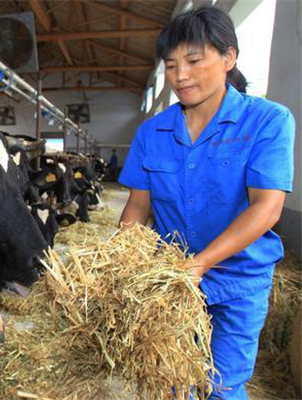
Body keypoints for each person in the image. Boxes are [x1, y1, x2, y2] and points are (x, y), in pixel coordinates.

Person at [118, 6, 295, 400]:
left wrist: (198, 265)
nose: (181, 75)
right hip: (170, 283)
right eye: (171, 65)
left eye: (194, 61)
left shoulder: (268, 121)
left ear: (228, 58)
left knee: (222, 386)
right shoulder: (152, 133)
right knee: (169, 381)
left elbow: (267, 208)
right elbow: (136, 208)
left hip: (237, 281)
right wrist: (123, 265)